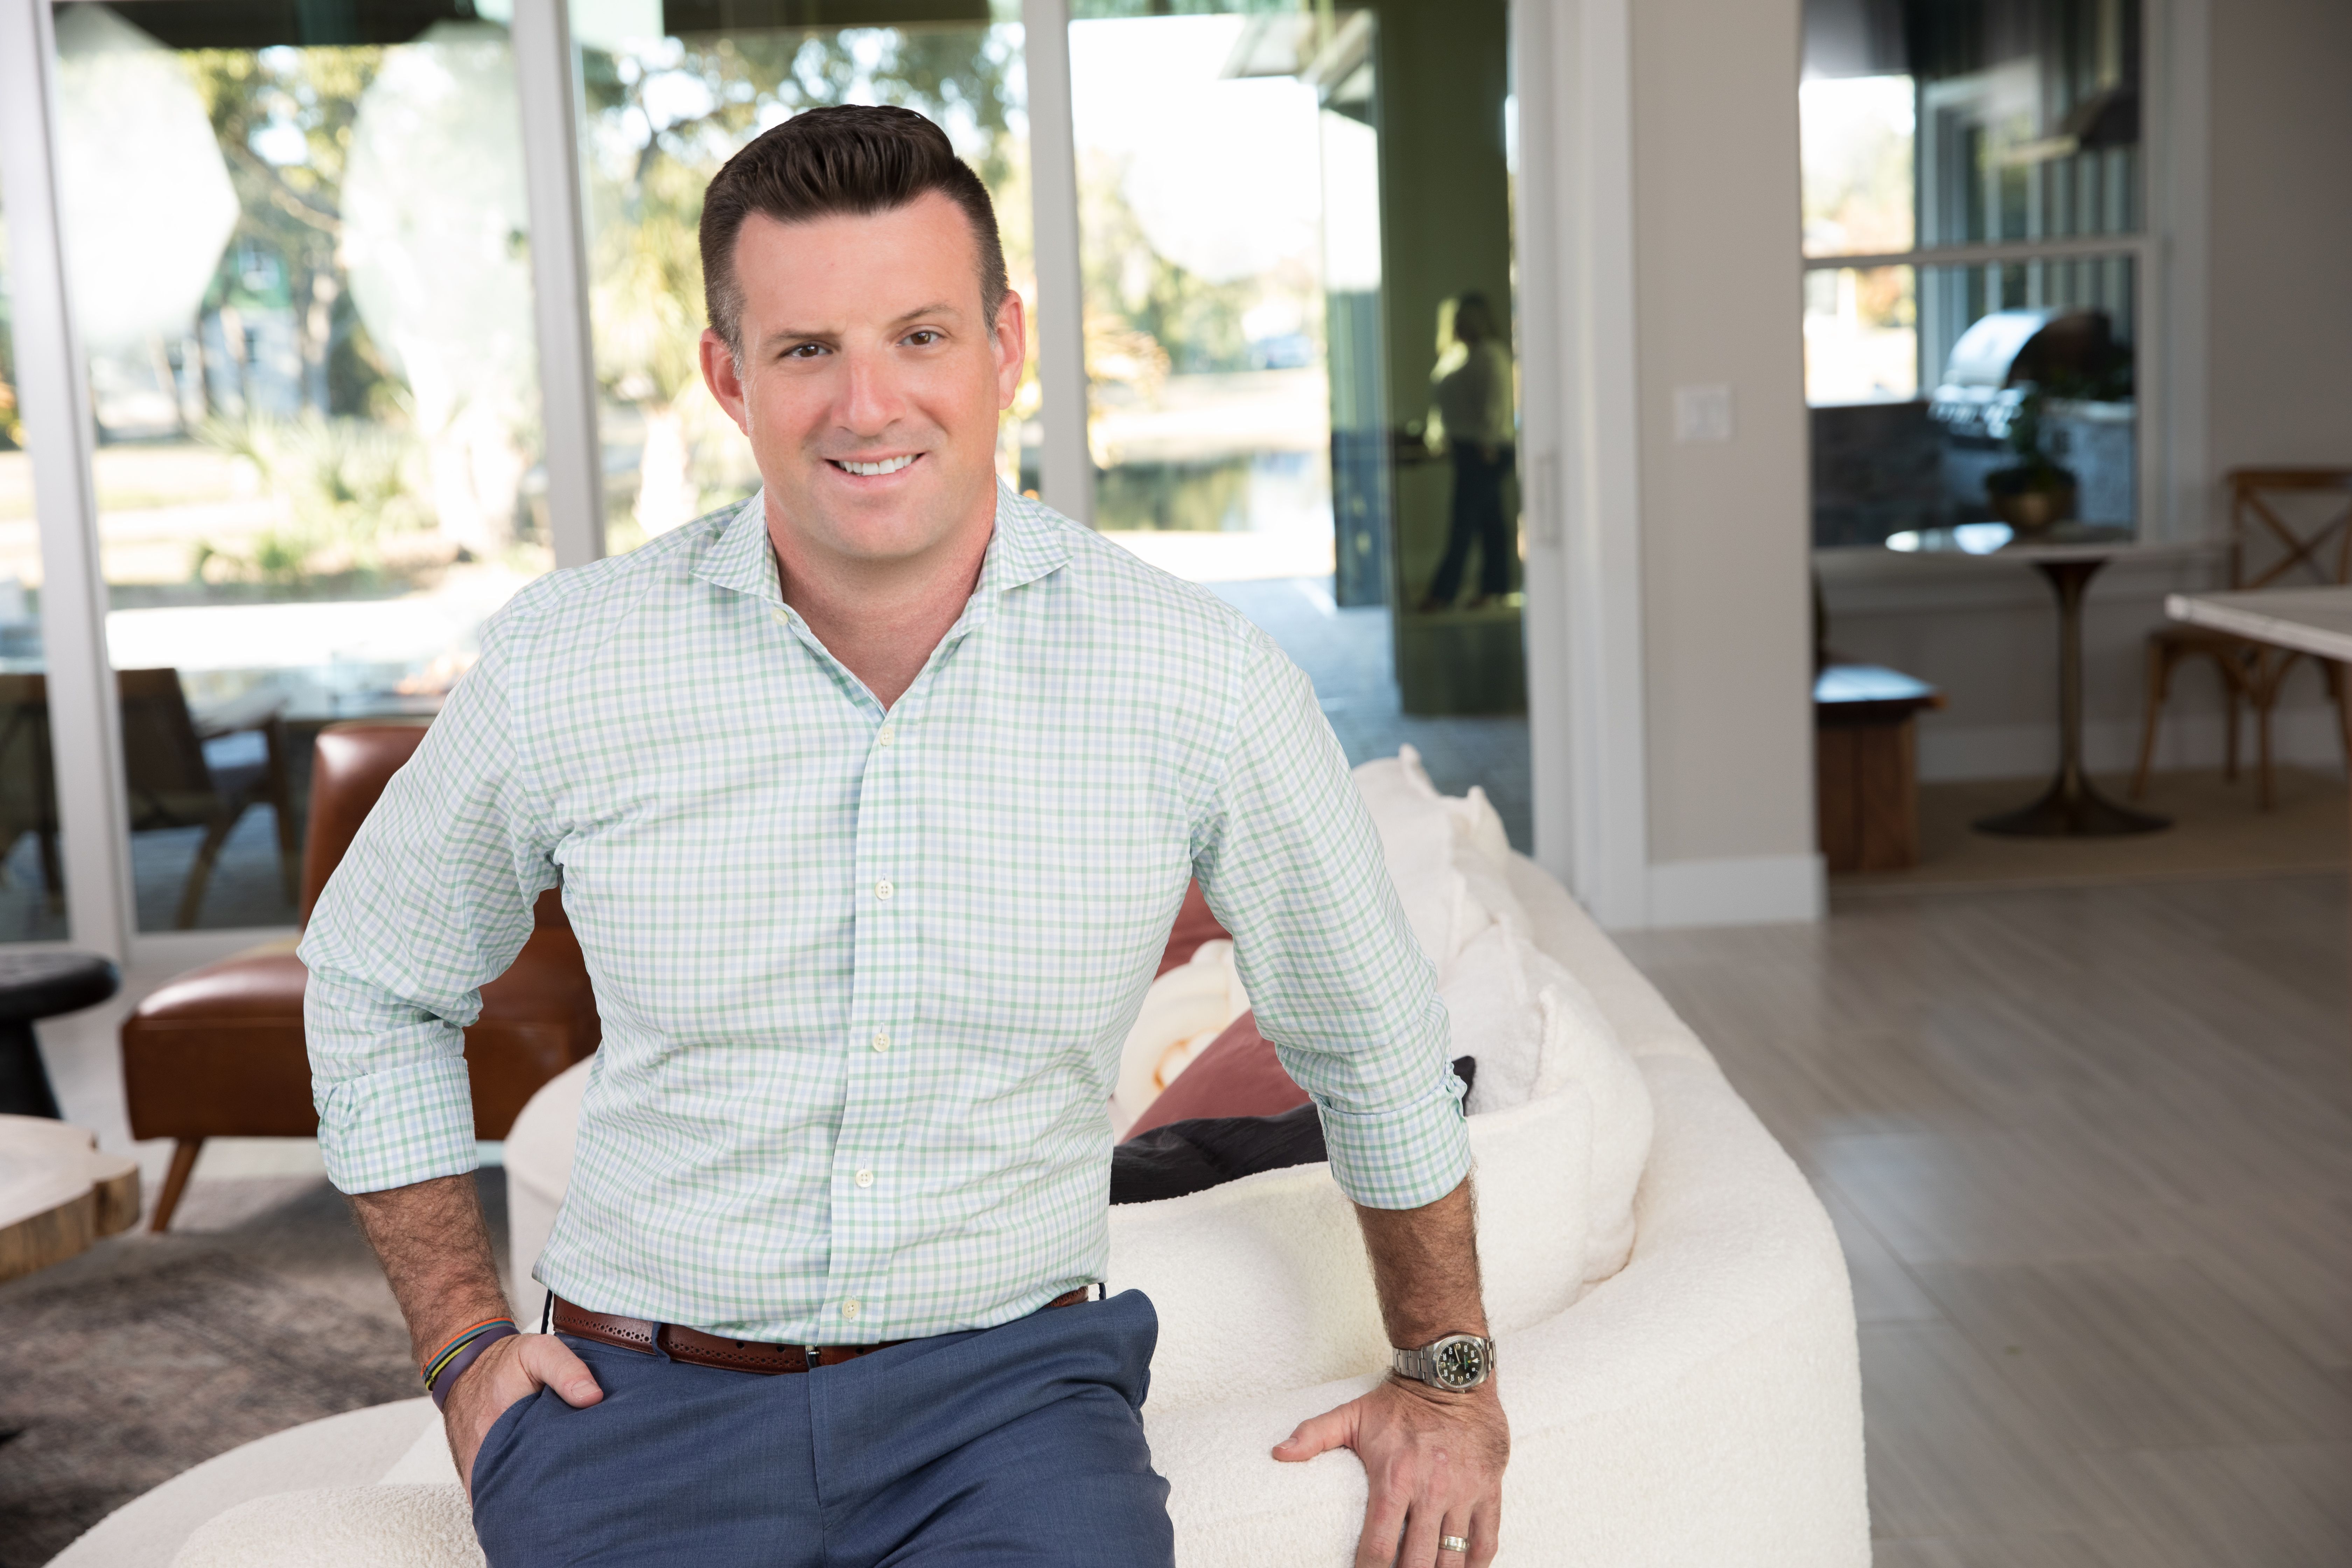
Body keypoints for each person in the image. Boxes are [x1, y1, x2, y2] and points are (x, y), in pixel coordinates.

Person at [303, 105, 1508, 1568]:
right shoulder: (571, 662)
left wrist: (1449, 1375)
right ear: (726, 375)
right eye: (809, 349)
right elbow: (376, 976)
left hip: (1010, 1412)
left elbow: (1371, 1032)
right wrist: (460, 1346)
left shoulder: (1197, 679)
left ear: (1004, 346)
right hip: (637, 1408)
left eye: (920, 336)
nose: (869, 404)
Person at [1419, 292, 1517, 612]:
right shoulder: (1458, 356)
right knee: (1490, 523)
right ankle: (1494, 589)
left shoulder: (1491, 355)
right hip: (1466, 449)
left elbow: (1496, 403)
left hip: (1485, 450)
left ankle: (1443, 593)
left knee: (1463, 523)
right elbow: (1446, 406)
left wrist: (1487, 443)